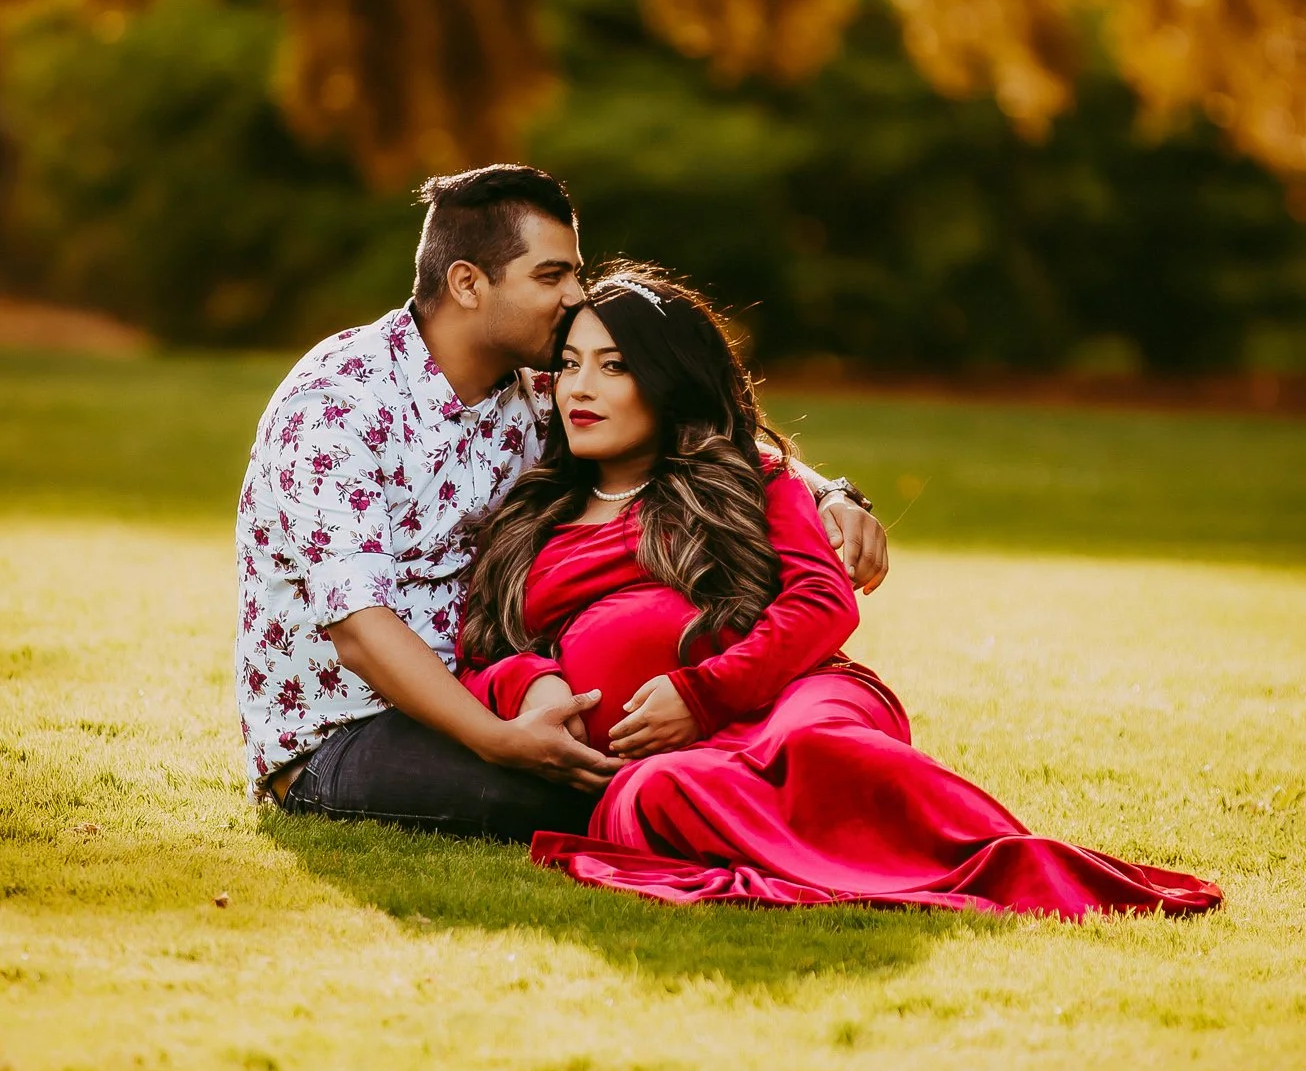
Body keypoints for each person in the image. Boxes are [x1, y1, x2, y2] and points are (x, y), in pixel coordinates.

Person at [460, 267, 1224, 919]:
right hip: (660, 756)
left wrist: (701, 693)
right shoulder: (532, 516)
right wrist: (531, 685)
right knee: (659, 793)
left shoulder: (747, 480)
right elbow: (482, 651)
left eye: (614, 366)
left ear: (667, 380)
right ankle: (848, 867)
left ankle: (1000, 862)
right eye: (569, 364)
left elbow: (822, 604)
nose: (579, 389)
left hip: (795, 695)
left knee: (815, 746)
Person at [235, 164, 887, 839]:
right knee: (610, 790)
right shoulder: (337, 407)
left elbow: (691, 424)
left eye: (574, 272)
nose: (576, 295)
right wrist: (497, 739)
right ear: (467, 283)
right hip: (352, 732)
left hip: (497, 689)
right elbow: (359, 631)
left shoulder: (535, 387)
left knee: (684, 760)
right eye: (551, 276)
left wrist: (830, 493)